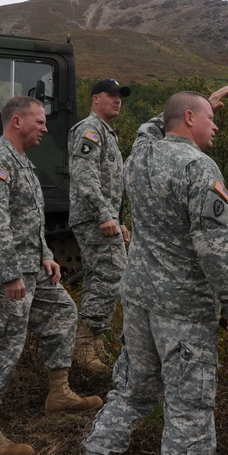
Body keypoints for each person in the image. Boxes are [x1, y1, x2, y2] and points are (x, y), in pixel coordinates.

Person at [72, 87, 228, 455]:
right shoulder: (200, 167)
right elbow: (215, 249)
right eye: (209, 117)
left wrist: (201, 100)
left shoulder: (141, 154)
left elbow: (149, 127)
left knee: (132, 391)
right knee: (189, 409)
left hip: (138, 300)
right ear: (188, 118)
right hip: (183, 310)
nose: (216, 124)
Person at [0, 95, 102, 455]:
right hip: (5, 274)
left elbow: (28, 219)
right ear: (16, 122)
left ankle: (58, 394)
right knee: (1, 345)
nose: (45, 128)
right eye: (39, 122)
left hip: (33, 269)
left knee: (63, 314)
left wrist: (45, 255)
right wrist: (9, 274)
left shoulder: (22, 162)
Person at [68, 78, 132, 373]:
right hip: (94, 218)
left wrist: (117, 219)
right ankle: (85, 343)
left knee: (100, 276)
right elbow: (85, 175)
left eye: (120, 96)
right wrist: (105, 215)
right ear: (96, 99)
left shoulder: (106, 132)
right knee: (112, 273)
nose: (117, 100)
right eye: (111, 95)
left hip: (103, 217)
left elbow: (109, 183)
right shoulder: (90, 130)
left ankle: (91, 342)